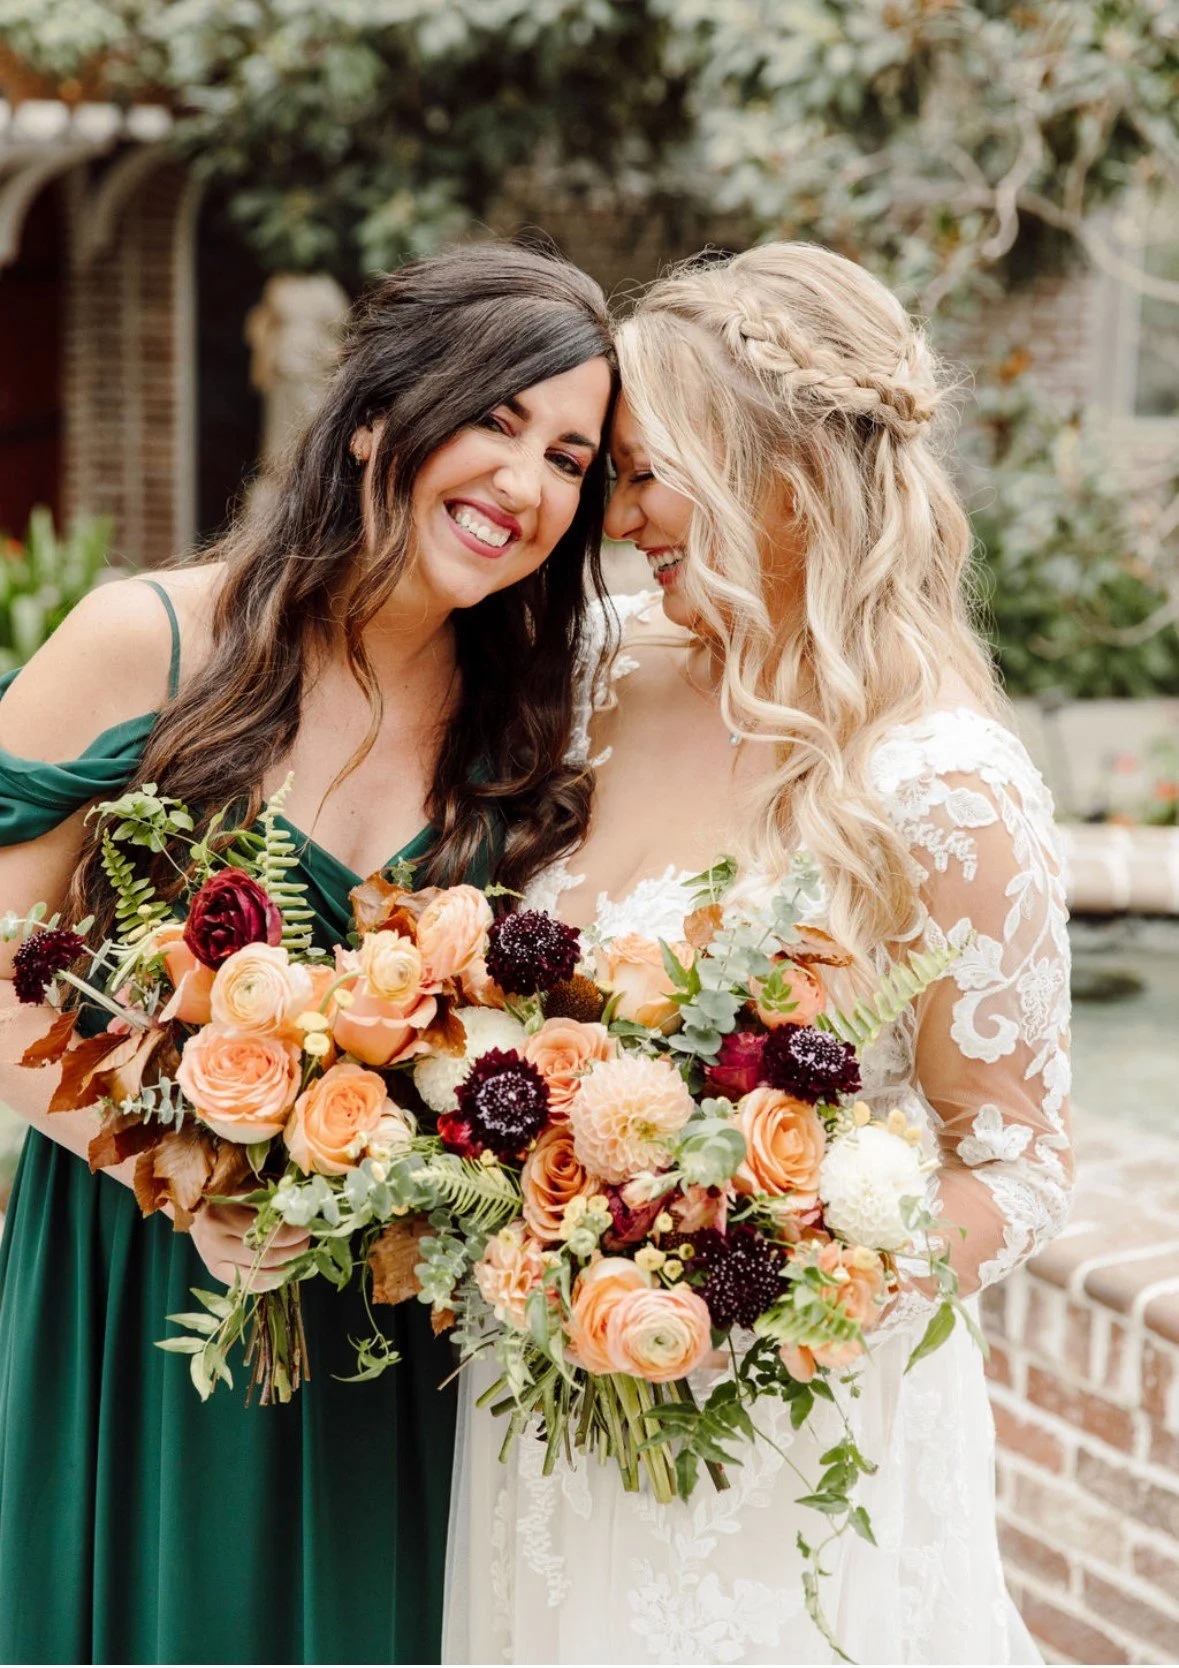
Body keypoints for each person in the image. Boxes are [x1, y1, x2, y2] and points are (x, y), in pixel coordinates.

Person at [445, 243, 1073, 1664]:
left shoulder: (942, 781)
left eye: (650, 473)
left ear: (776, 476)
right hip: (540, 1403)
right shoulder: (596, 668)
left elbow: (1020, 1163)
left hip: (788, 1438)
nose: (621, 518)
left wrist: (773, 1281)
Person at [0, 240, 614, 1665]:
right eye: (501, 420)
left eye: (575, 459)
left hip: (399, 1335)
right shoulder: (144, 641)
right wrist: (177, 1168)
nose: (528, 487)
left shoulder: (531, 731)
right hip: (146, 1287)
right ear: (377, 418)